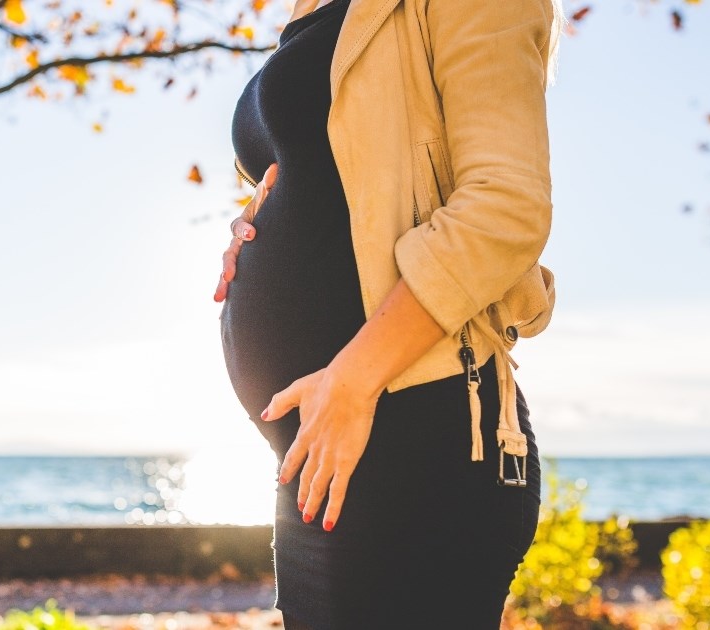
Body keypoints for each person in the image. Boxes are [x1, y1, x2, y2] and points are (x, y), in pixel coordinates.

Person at [212, 0, 564, 627]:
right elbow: (336, 174)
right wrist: (253, 219)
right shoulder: (311, 11)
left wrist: (354, 378)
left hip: (415, 432)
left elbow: (505, 206)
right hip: (324, 448)